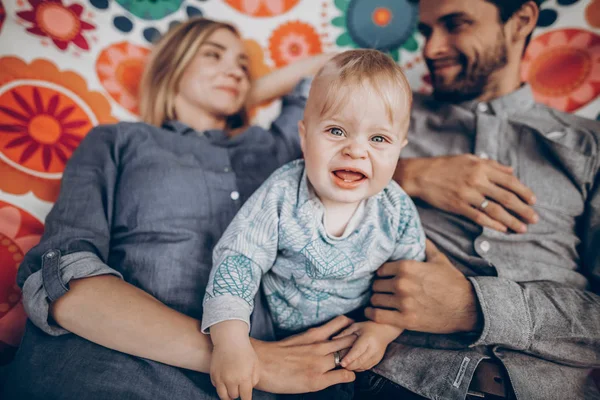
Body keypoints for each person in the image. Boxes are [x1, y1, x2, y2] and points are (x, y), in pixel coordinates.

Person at [1, 17, 357, 399]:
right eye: (213, 55)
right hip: (113, 371)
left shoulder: (279, 148)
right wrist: (254, 359)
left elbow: (339, 69)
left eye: (242, 66)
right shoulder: (119, 141)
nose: (234, 71)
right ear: (173, 65)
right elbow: (64, 285)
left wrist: (243, 96)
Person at [349, 0, 600, 399]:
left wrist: (474, 306)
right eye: (427, 31)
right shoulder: (384, 120)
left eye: (455, 24)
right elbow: (291, 185)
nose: (430, 49)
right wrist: (408, 173)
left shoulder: (588, 146)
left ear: (520, 21)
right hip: (388, 380)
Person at [201, 49, 425, 400]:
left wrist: (382, 331)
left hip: (360, 333)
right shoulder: (281, 193)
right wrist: (230, 342)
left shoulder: (396, 211)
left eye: (378, 139)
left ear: (400, 147)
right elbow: (238, 261)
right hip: (281, 340)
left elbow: (408, 286)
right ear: (304, 138)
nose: (356, 150)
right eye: (337, 130)